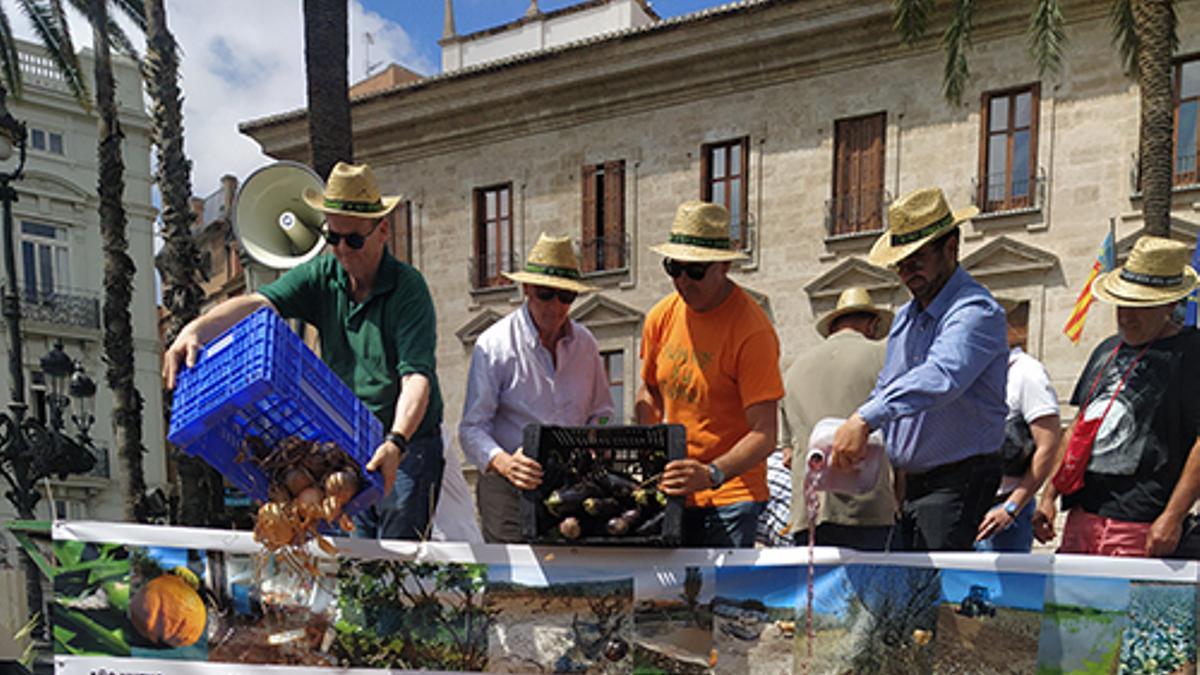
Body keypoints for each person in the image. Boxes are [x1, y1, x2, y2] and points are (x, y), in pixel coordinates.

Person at [163, 161, 444, 541]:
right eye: (333, 237)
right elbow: (259, 303)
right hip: (347, 444)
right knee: (353, 562)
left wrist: (395, 442)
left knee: (400, 560)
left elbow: (416, 378)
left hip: (409, 446)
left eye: (353, 240)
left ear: (382, 231)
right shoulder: (323, 275)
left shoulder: (408, 288)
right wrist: (196, 327)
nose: (342, 250)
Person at [830, 187, 1008, 552]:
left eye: (916, 259)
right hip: (915, 484)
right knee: (917, 595)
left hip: (959, 479)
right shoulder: (907, 319)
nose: (907, 271)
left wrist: (864, 420)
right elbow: (889, 385)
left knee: (935, 596)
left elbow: (942, 375)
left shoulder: (976, 311)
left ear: (951, 248)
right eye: (901, 262)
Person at [1033, 236, 1200, 557]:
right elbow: (1079, 426)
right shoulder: (1107, 349)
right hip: (1082, 517)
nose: (1126, 315)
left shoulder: (1192, 351)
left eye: (1140, 305)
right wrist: (1048, 496)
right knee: (1069, 608)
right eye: (1122, 303)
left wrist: (1173, 516)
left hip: (1144, 525)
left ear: (1169, 304)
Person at [636, 200, 783, 548]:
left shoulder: (752, 331)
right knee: (669, 601)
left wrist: (712, 473)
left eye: (696, 271)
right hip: (674, 489)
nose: (683, 281)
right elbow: (649, 391)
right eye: (674, 268)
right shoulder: (660, 316)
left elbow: (765, 434)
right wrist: (652, 447)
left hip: (732, 495)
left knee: (719, 600)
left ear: (725, 266)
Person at [458, 234, 614, 543]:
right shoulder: (494, 345)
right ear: (527, 290)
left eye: (566, 296)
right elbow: (471, 428)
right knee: (513, 585)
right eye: (546, 294)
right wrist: (505, 463)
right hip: (508, 488)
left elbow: (603, 413)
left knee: (572, 582)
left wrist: (598, 436)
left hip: (570, 485)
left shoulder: (587, 345)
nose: (556, 306)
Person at [781, 286, 897, 550]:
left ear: (833, 327)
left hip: (808, 512)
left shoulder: (793, 371)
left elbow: (787, 455)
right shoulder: (883, 357)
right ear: (872, 325)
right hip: (867, 508)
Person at [975, 299, 1061, 552]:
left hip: (1003, 512)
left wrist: (1012, 507)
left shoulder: (1027, 373)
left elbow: (1048, 445)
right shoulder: (974, 376)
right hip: (969, 507)